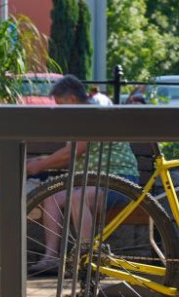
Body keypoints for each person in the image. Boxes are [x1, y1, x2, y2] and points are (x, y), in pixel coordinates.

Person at [25, 75, 139, 274]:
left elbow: (73, 151)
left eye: (60, 105)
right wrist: (43, 160)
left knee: (77, 197)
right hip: (92, 183)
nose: (60, 111)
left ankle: (88, 259)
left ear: (71, 100)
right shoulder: (85, 114)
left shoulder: (91, 113)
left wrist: (39, 165)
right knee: (51, 198)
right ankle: (51, 257)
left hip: (119, 182)